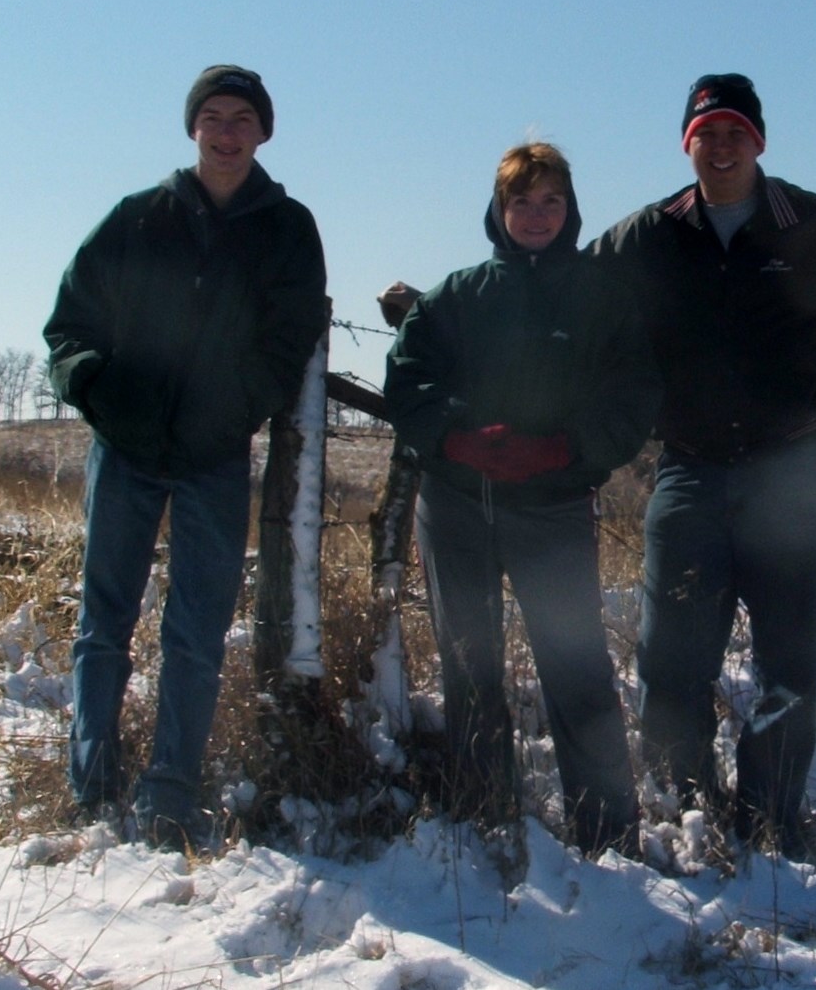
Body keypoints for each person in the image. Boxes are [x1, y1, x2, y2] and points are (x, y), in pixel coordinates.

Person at [589, 73, 816, 856]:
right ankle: (687, 810)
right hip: (689, 471)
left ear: (758, 141)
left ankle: (769, 821)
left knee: (788, 661)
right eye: (705, 133)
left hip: (795, 471)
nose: (719, 147)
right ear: (688, 144)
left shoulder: (811, 225)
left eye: (734, 133)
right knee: (670, 659)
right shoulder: (651, 234)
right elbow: (565, 297)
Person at [44, 65, 328, 851]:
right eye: (212, 116)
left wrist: (233, 409)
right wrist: (100, 388)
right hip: (126, 450)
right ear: (192, 128)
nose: (227, 131)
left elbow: (289, 335)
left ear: (262, 132)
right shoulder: (139, 218)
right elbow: (69, 324)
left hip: (213, 458)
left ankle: (169, 793)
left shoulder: (287, 228)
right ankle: (92, 786)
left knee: (196, 632)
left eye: (242, 118)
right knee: (104, 622)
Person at [384, 143, 659, 855]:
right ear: (497, 211)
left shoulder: (601, 298)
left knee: (576, 668)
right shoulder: (458, 295)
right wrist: (455, 438)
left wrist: (567, 448)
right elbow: (407, 383)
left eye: (550, 202)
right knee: (469, 666)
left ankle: (608, 834)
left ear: (569, 211)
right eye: (520, 202)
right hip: (456, 506)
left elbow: (631, 398)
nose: (535, 216)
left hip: (554, 507)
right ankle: (483, 822)